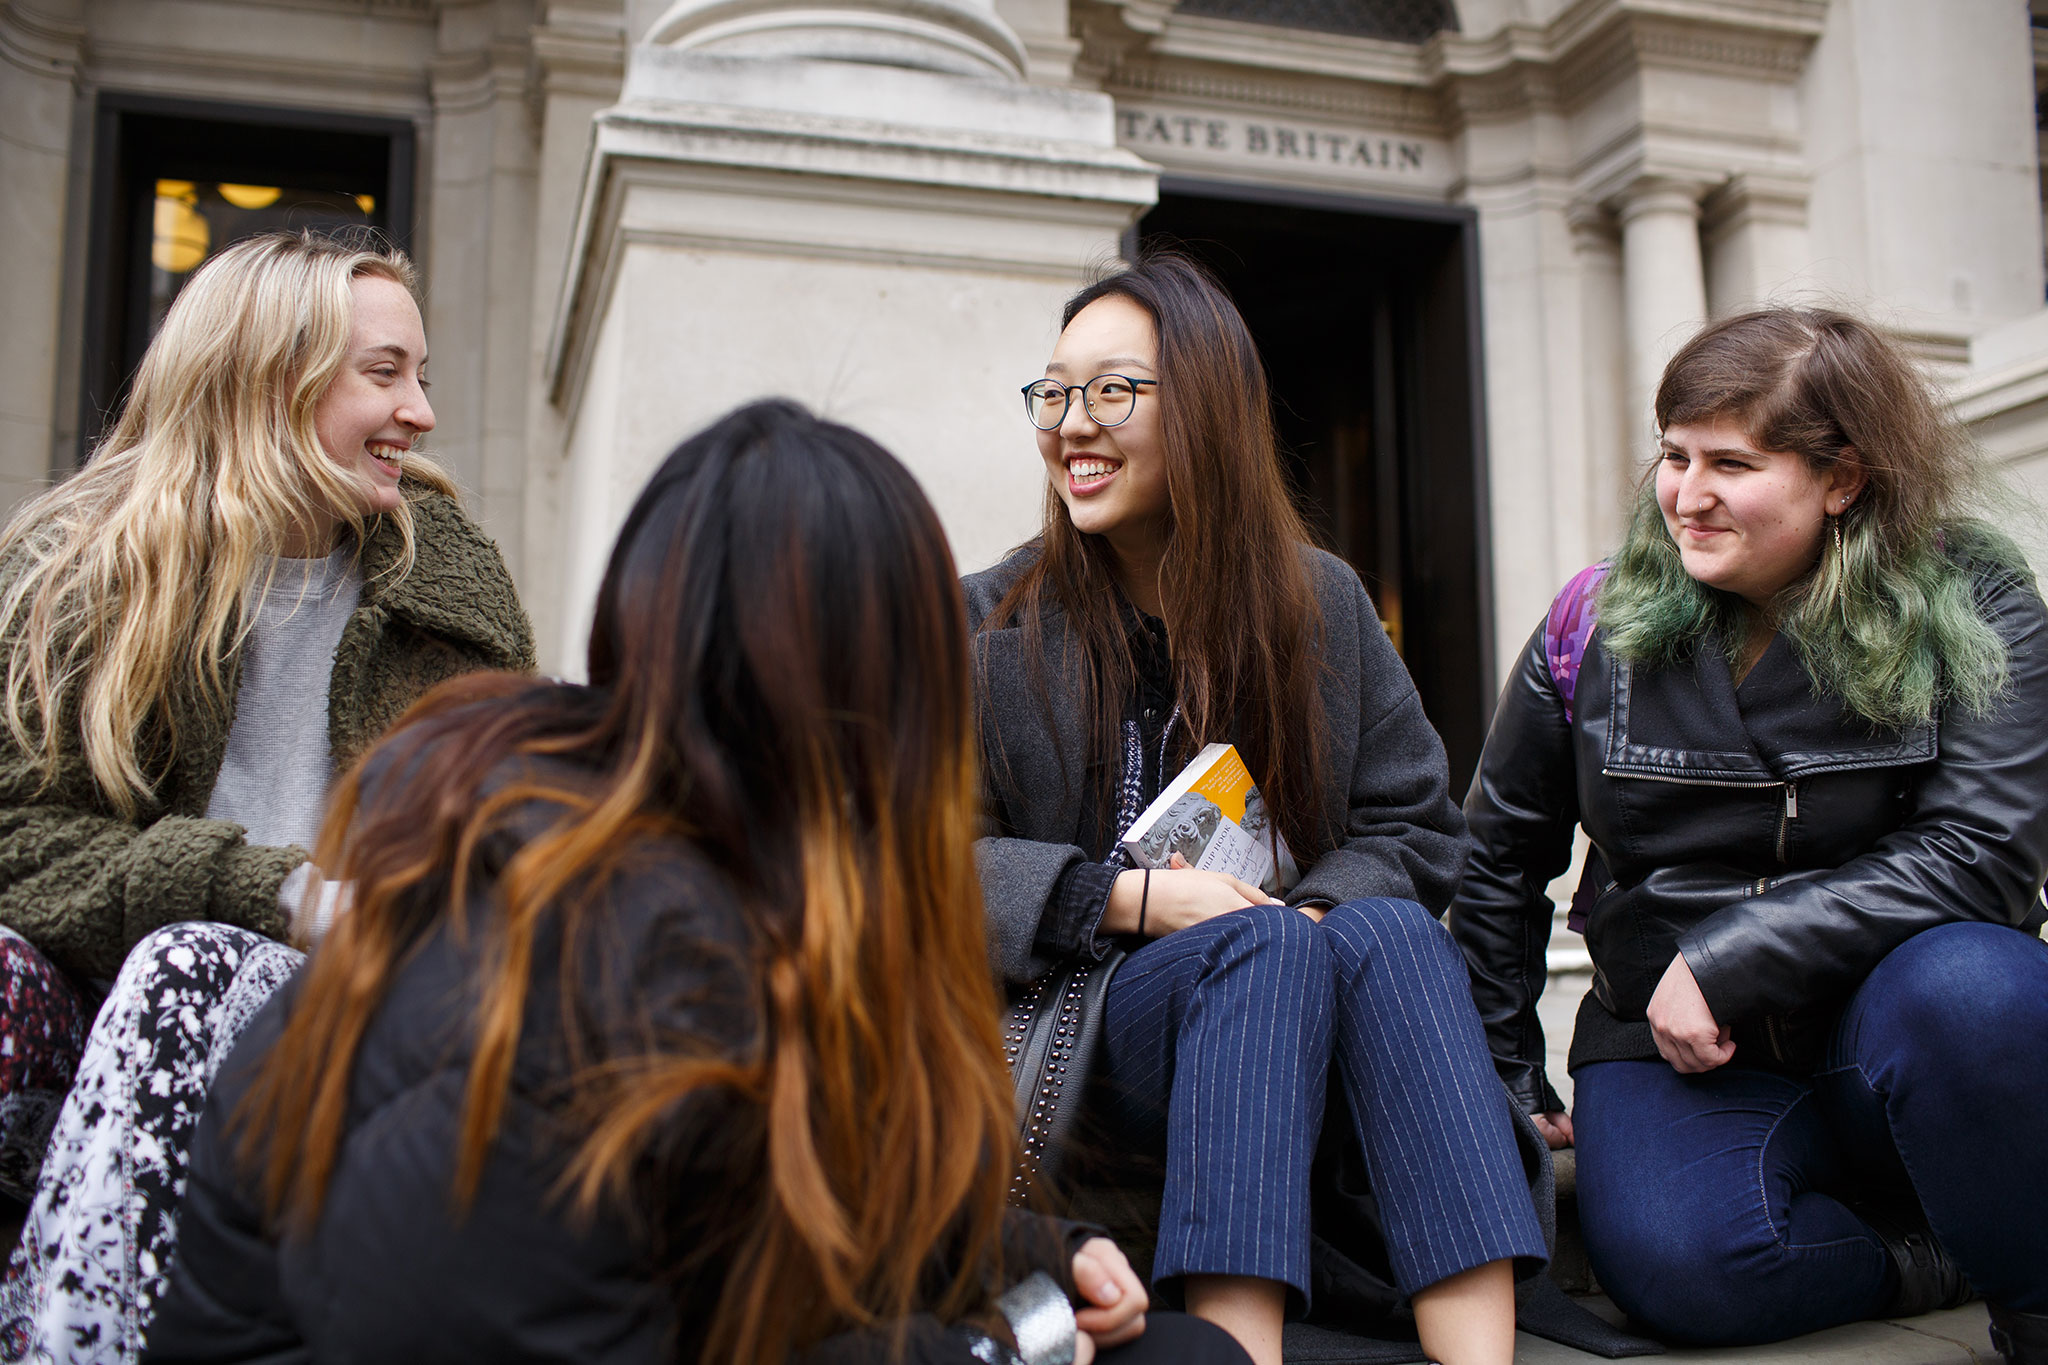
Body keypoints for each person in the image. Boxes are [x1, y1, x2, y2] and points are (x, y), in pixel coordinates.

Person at [142, 400, 1250, 1365]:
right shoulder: (604, 953)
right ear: (878, 691)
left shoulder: (708, 883)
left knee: (1179, 1350)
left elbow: (774, 1202)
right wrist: (984, 1347)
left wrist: (1030, 1258)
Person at [967, 253, 1546, 1365]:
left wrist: (1313, 921)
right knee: (1257, 951)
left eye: (1111, 391)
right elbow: (915, 864)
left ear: (1208, 407)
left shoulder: (1316, 601)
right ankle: (1240, 1352)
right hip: (1067, 1039)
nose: (1070, 426)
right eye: (1053, 392)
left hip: (1287, 1013)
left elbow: (1419, 835)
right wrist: (1134, 900)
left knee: (1367, 927)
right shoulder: (988, 620)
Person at [1448, 307, 2048, 1358]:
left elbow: (1983, 852)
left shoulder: (1974, 595)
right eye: (1673, 455)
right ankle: (1931, 1253)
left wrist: (1732, 958)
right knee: (1692, 1274)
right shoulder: (1591, 620)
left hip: (1897, 1020)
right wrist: (1504, 1072)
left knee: (1978, 987)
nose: (1685, 495)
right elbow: (1499, 854)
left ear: (1842, 479)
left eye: (1731, 461)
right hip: (1670, 1047)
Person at [0, 230, 534, 1362]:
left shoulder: (450, 585)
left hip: (367, 1000)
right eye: (383, 374)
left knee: (188, 968)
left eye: (420, 377)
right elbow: (15, 838)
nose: (421, 414)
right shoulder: (80, 571)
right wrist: (266, 890)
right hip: (114, 970)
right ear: (262, 378)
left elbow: (519, 833)